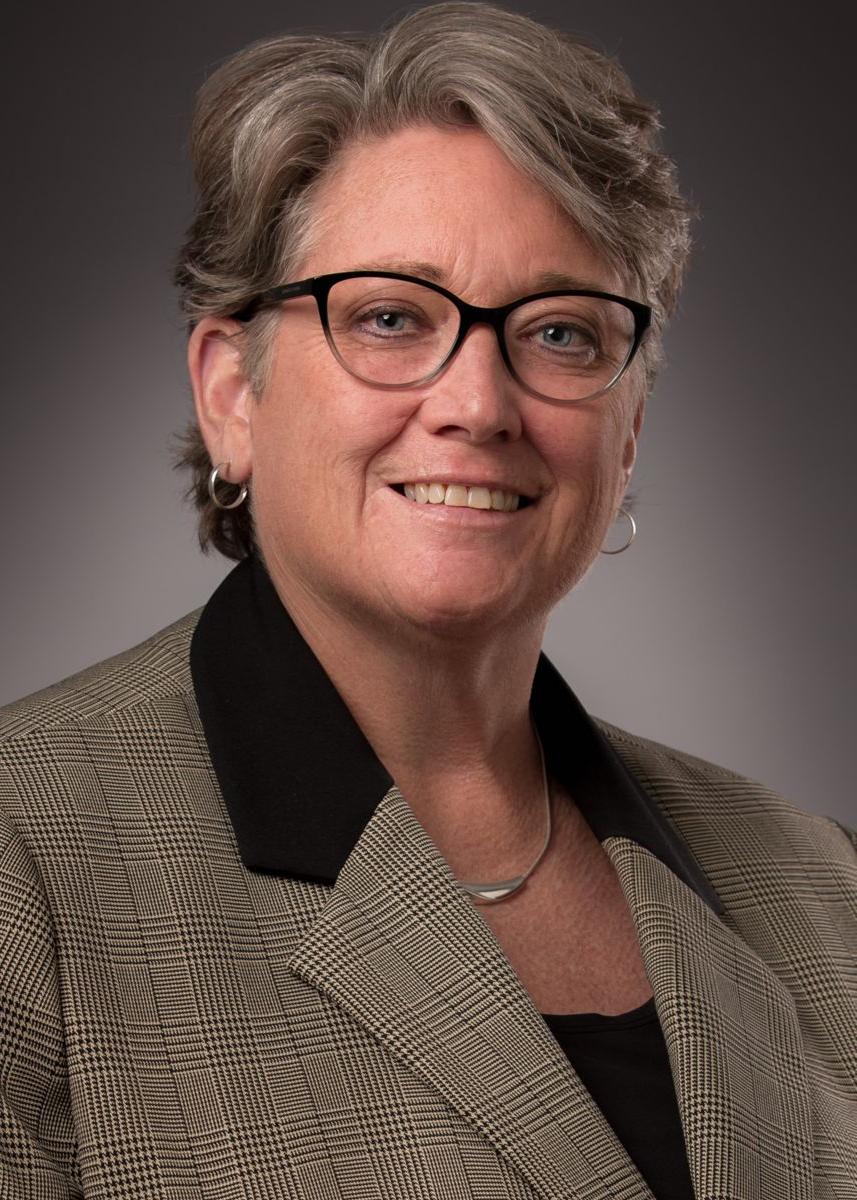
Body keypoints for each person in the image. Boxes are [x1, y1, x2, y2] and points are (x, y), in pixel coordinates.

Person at [1, 3, 854, 1197]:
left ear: (626, 429)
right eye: (391, 318)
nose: (477, 403)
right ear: (232, 396)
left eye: (558, 332)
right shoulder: (24, 864)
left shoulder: (814, 885)